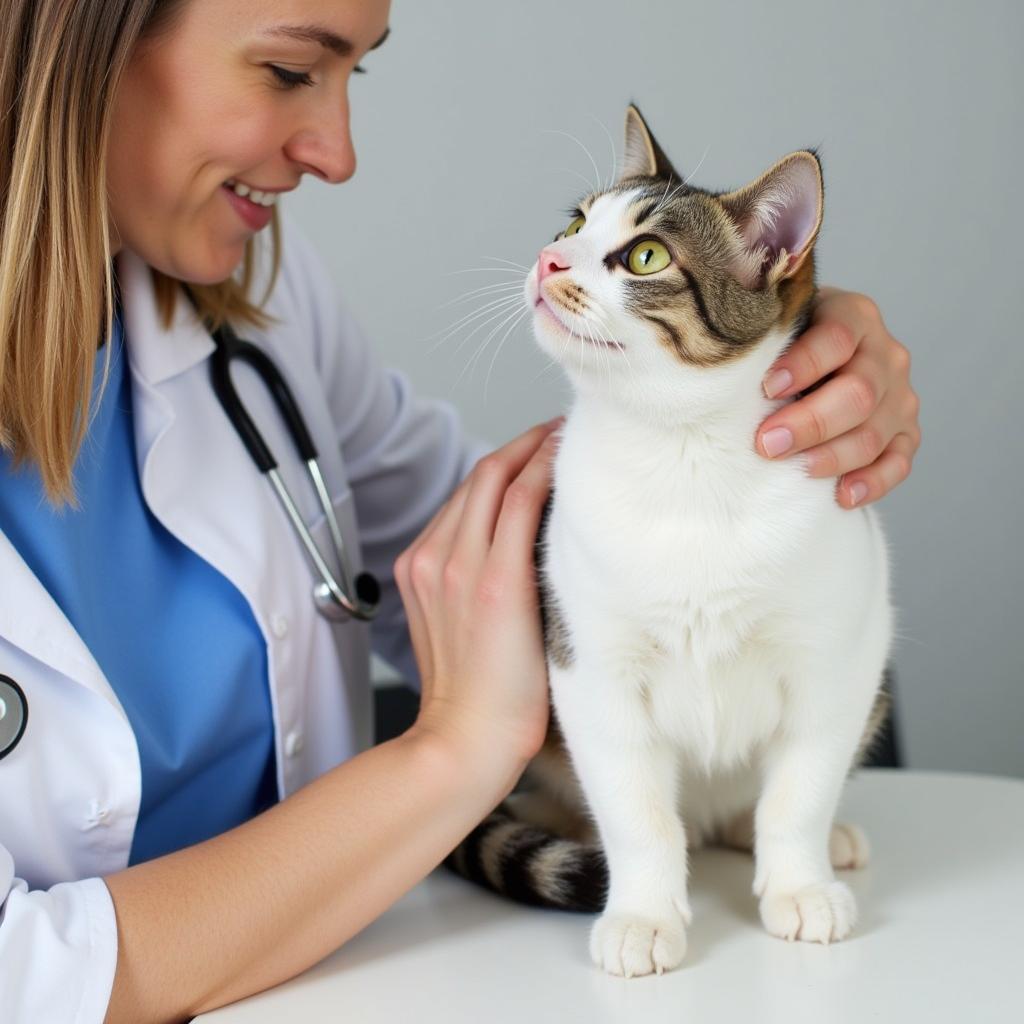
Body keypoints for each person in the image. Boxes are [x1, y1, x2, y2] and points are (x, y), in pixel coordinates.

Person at [0, 2, 921, 1022]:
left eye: (360, 74)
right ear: (82, 42)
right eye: (291, 69)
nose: (337, 153)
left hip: (369, 976)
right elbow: (28, 976)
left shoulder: (249, 292)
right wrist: (450, 752)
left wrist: (771, 377)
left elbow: (494, 554)